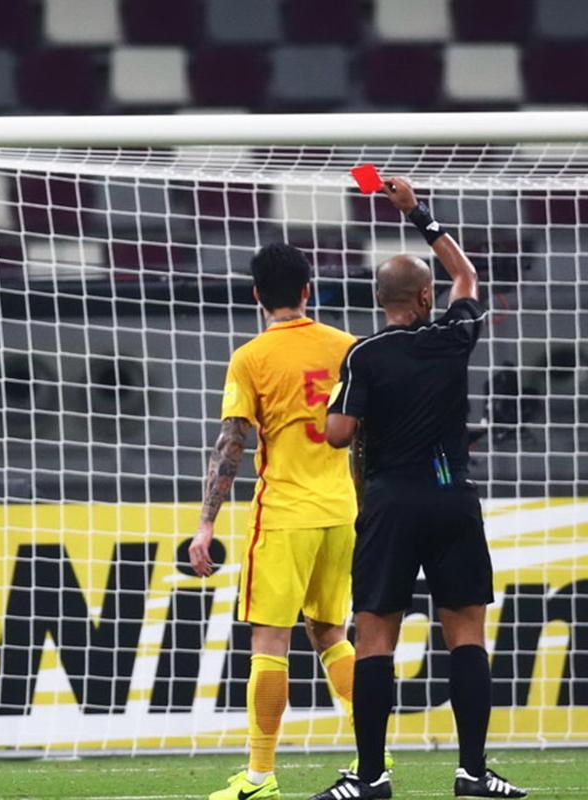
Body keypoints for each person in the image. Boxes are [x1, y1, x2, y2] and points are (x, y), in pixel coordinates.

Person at [311, 177, 526, 800]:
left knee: (374, 634)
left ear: (380, 300)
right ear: (425, 295)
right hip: (451, 496)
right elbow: (469, 276)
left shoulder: (364, 355)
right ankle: (472, 773)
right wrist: (417, 214)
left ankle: (373, 776)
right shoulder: (453, 335)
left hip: (390, 501)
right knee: (465, 631)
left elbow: (336, 433)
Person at [189, 243, 373, 800]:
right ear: (307, 290)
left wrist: (205, 525)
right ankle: (375, 757)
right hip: (342, 510)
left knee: (270, 640)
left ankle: (261, 777)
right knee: (332, 635)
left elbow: (231, 445)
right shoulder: (348, 348)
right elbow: (365, 439)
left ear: (255, 295)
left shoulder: (251, 357)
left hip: (285, 512)